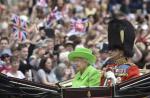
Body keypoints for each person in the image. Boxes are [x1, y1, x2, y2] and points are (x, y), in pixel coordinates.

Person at [101, 18, 140, 86]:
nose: (109, 52)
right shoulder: (109, 67)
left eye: (114, 50)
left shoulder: (131, 69)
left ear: (121, 52)